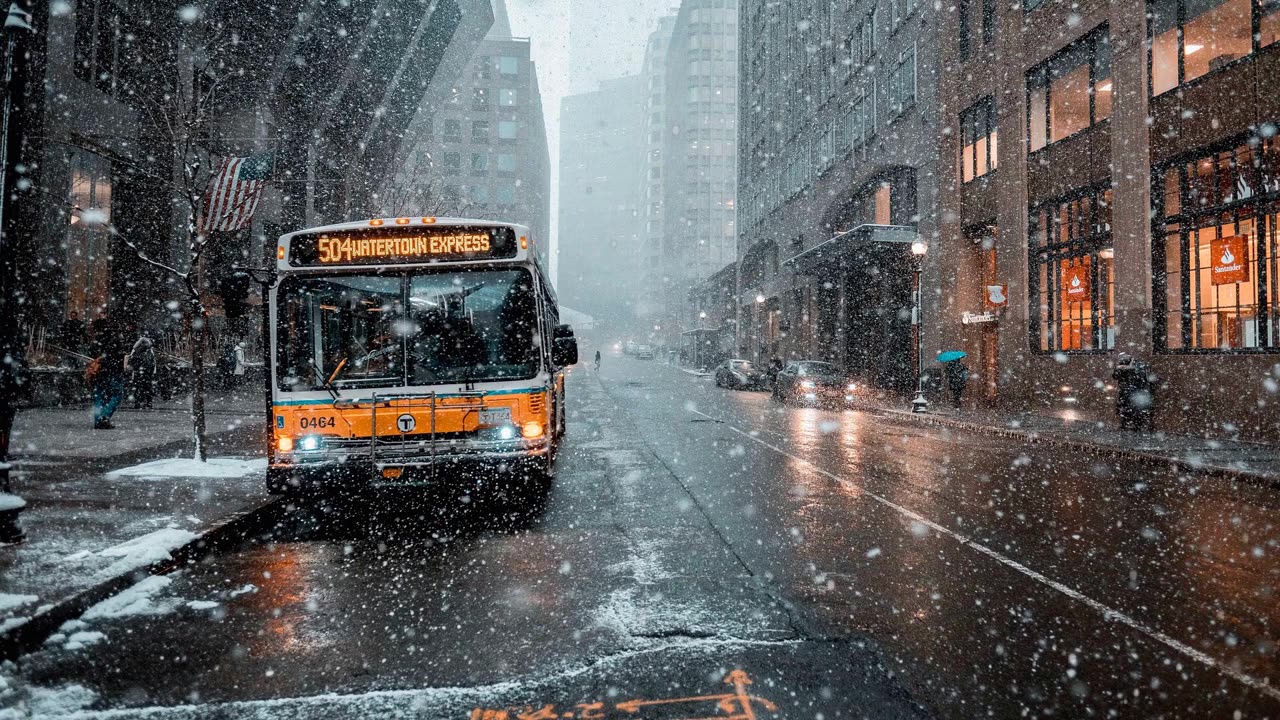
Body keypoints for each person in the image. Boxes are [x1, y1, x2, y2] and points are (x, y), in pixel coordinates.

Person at [87, 325, 126, 429]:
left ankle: (98, 420)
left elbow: (92, 353)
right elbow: (119, 358)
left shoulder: (98, 342)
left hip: (100, 373)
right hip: (113, 372)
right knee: (117, 395)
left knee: (99, 397)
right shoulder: (117, 342)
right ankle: (104, 416)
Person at [1113, 353, 1156, 431]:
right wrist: (1120, 369)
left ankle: (1137, 425)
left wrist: (1129, 369)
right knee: (1124, 408)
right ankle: (1125, 424)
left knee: (1135, 408)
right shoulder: (1121, 366)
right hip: (1126, 390)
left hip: (1136, 391)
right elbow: (1115, 376)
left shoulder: (1138, 365)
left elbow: (1140, 377)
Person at [127, 334, 157, 409]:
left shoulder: (136, 350)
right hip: (147, 372)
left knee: (138, 387)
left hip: (139, 372)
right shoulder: (150, 351)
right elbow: (153, 363)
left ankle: (138, 403)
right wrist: (152, 372)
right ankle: (148, 403)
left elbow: (132, 361)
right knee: (147, 388)